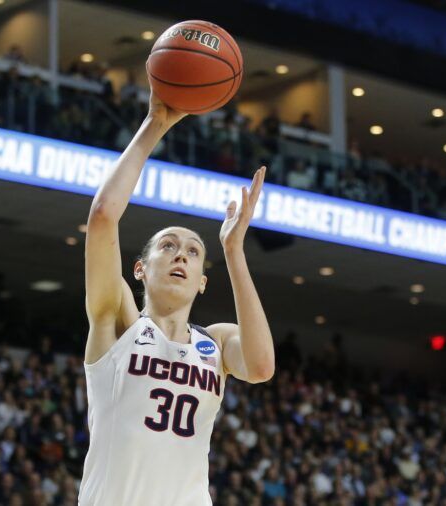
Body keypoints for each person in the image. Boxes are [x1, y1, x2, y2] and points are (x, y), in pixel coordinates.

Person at [79, 88, 275, 505]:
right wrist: (156, 124)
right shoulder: (118, 321)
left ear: (202, 281)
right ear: (140, 269)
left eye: (192, 252)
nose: (180, 256)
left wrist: (234, 252)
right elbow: (102, 217)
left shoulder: (216, 343)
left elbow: (260, 367)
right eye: (167, 246)